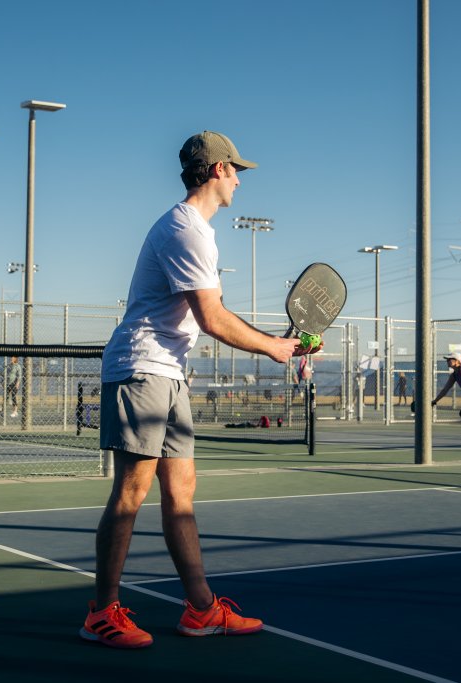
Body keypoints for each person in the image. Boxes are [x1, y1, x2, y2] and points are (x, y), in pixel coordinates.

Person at [80, 131, 321, 649]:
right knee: (131, 491)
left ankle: (202, 610)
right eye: (236, 170)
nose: (239, 179)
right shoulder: (185, 230)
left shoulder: (197, 232)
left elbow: (210, 316)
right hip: (142, 368)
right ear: (215, 170)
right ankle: (101, 613)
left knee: (181, 494)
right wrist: (272, 349)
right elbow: (211, 318)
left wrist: (278, 344)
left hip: (170, 372)